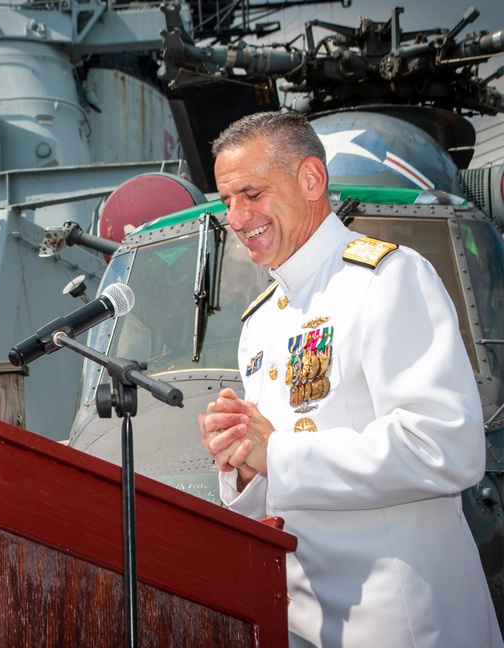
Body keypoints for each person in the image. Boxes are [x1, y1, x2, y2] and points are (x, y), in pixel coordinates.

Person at [197, 110, 502, 647]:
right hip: (297, 618)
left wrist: (278, 453)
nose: (236, 216)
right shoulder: (261, 320)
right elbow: (278, 482)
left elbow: (446, 446)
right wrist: (241, 464)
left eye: (251, 194)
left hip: (398, 622)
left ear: (312, 180)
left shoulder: (388, 279)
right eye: (226, 200)